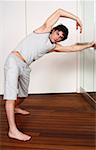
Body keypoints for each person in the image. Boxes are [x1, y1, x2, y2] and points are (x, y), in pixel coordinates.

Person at [3, 8, 96, 141]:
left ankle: (15, 107)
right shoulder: (43, 30)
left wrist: (90, 45)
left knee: (23, 94)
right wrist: (77, 19)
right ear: (52, 30)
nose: (58, 36)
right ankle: (13, 130)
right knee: (11, 96)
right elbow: (59, 12)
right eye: (57, 33)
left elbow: (72, 48)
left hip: (25, 66)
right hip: (14, 60)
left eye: (61, 37)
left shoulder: (53, 46)